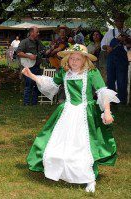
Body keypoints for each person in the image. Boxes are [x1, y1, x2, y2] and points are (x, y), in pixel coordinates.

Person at [23, 44, 119, 193]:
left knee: (84, 146)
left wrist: (107, 111)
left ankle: (89, 178)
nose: (74, 62)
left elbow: (103, 92)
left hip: (85, 113)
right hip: (67, 112)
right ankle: (63, 172)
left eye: (78, 59)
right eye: (71, 58)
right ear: (67, 59)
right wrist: (32, 75)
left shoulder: (92, 73)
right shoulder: (64, 72)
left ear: (85, 60)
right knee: (60, 143)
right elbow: (51, 85)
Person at [101, 13, 131, 104]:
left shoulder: (129, 32)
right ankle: (111, 101)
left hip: (122, 59)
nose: (120, 22)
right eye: (117, 20)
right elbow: (103, 45)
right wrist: (108, 47)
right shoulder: (110, 32)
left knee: (122, 80)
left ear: (123, 22)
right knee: (110, 79)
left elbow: (129, 46)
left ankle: (122, 101)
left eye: (121, 20)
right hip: (111, 59)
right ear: (115, 22)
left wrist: (126, 42)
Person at [17, 26, 45, 106]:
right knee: (28, 84)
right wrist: (29, 56)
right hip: (28, 67)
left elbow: (43, 51)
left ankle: (34, 102)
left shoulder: (38, 42)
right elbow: (18, 53)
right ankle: (26, 103)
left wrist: (49, 50)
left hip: (37, 66)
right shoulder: (24, 42)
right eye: (37, 32)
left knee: (37, 84)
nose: (38, 33)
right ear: (32, 33)